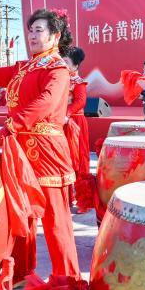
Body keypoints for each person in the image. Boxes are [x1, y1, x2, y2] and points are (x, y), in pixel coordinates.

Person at [0, 9, 80, 279]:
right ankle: (19, 274)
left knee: (55, 221)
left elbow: (47, 103)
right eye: (30, 30)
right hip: (19, 149)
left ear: (55, 36)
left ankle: (68, 282)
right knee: (18, 214)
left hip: (47, 150)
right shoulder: (24, 67)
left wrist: (11, 125)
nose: (32, 36)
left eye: (39, 30)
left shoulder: (58, 68)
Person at [63, 46, 93, 209]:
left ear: (75, 66)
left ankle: (84, 201)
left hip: (75, 124)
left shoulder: (79, 82)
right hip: (62, 122)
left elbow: (80, 101)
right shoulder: (59, 79)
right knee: (63, 161)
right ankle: (67, 198)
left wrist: (67, 113)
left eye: (66, 61)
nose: (63, 64)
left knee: (80, 161)